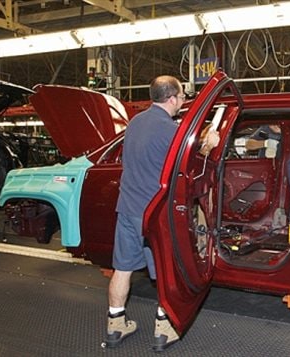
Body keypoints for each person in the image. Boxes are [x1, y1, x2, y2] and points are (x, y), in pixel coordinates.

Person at [104, 75, 219, 351]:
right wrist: (209, 144)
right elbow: (192, 167)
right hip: (155, 214)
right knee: (167, 271)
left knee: (122, 268)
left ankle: (115, 324)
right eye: (181, 97)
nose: (182, 101)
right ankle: (163, 327)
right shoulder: (170, 130)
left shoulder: (135, 123)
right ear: (172, 99)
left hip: (127, 207)